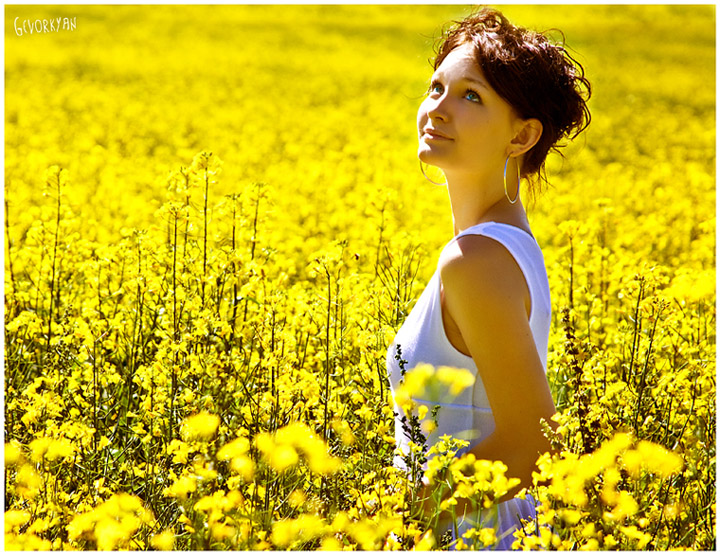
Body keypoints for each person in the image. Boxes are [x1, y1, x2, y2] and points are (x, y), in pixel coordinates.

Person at [386, 6, 591, 550]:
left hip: (471, 532)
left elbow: (532, 445)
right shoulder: (507, 244)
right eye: (436, 88)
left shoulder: (475, 259)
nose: (437, 110)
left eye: (470, 96)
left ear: (521, 136)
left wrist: (406, 515)